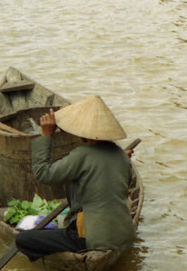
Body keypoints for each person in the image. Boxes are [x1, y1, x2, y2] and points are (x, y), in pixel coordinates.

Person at [15, 95, 136, 261]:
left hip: (93, 238)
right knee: (74, 189)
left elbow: (43, 173)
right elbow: (125, 184)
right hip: (124, 234)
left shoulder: (82, 155)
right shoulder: (121, 155)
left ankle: (75, 249)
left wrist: (46, 136)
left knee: (23, 240)